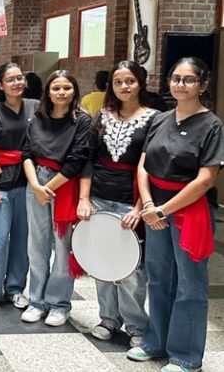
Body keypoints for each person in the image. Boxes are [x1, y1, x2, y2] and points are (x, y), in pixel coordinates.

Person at [127, 57, 224, 372]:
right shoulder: (160, 119)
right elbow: (144, 164)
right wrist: (147, 205)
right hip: (154, 207)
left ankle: (185, 356)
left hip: (189, 211)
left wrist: (162, 210)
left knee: (189, 284)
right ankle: (155, 342)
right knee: (159, 278)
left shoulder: (212, 125)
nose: (180, 84)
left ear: (203, 85)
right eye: (176, 78)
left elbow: (206, 179)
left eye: (189, 79)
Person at [77, 60, 157, 347]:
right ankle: (108, 318)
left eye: (130, 81)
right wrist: (84, 198)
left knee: (132, 268)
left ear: (140, 83)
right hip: (99, 196)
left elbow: (152, 167)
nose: (124, 86)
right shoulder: (102, 116)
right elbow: (88, 158)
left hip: (130, 200)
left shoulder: (154, 119)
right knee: (102, 260)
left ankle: (136, 325)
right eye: (118, 82)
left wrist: (139, 208)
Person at [21, 70, 91, 326]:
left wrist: (47, 188)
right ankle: (36, 300)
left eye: (67, 88)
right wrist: (35, 186)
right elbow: (26, 153)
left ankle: (59, 304)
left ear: (74, 91)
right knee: (36, 246)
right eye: (56, 88)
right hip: (36, 182)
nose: (61, 93)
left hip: (64, 185)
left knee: (62, 248)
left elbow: (77, 159)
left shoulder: (82, 120)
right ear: (47, 92)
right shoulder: (36, 118)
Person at [0, 62, 38, 312]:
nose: (16, 83)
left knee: (23, 240)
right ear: (0, 85)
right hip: (0, 183)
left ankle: (15, 288)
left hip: (28, 184)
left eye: (19, 78)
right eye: (10, 80)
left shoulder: (36, 107)